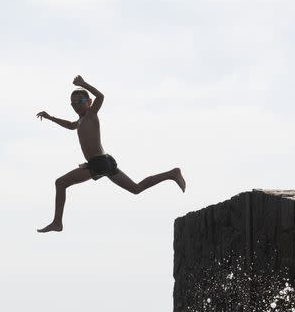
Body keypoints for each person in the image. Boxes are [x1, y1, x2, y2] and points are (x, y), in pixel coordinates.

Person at [35, 75, 186, 232]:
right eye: (73, 103)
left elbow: (101, 96)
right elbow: (70, 125)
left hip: (99, 163)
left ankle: (57, 222)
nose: (76, 106)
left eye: (79, 101)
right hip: (103, 162)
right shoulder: (80, 121)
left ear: (89, 102)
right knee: (136, 188)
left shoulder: (91, 114)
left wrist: (83, 84)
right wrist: (50, 117)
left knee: (60, 183)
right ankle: (172, 174)